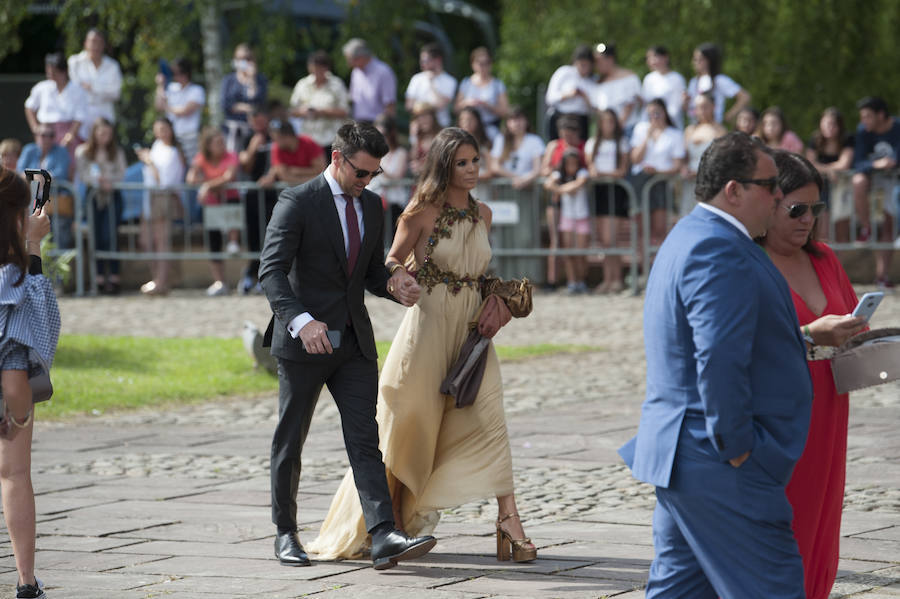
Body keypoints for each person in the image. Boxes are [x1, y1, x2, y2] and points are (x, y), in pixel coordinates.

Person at [306, 126, 537, 564]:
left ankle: (509, 521)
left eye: (475, 161)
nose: (471, 170)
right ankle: (386, 521)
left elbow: (480, 272)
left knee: (490, 419)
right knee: (407, 423)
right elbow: (391, 259)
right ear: (445, 165)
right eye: (462, 162)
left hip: (471, 334)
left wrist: (501, 299)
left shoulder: (483, 214)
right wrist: (399, 278)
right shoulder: (422, 212)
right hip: (427, 329)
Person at [619, 132, 813, 598]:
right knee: (774, 588)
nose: (780, 196)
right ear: (734, 190)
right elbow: (718, 357)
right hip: (718, 459)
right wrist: (739, 447)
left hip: (687, 456)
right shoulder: (718, 246)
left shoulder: (691, 234)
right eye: (770, 185)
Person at [258, 121, 436, 570]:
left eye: (374, 174)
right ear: (337, 159)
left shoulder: (373, 206)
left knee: (364, 439)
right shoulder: (297, 202)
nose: (367, 182)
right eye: (361, 173)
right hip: (303, 344)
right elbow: (271, 272)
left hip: (353, 343)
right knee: (290, 439)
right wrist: (301, 321)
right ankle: (285, 533)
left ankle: (383, 535)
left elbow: (371, 274)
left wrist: (397, 286)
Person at [759, 150, 867, 599]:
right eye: (796, 209)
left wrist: (865, 338)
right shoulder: (749, 262)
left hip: (829, 405)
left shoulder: (824, 258)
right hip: (776, 411)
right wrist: (807, 335)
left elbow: (850, 318)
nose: (807, 219)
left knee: (823, 514)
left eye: (815, 209)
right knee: (786, 517)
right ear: (769, 205)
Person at [0, 167, 60, 599]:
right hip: (11, 376)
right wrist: (34, 243)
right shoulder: (13, 271)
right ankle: (25, 581)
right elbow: (41, 320)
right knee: (15, 475)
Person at [851, 96, 899, 287]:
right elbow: (858, 163)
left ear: (880, 115)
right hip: (876, 185)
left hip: (894, 185)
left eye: (868, 116)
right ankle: (866, 228)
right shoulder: (863, 131)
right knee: (858, 181)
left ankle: (882, 276)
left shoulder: (897, 128)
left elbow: (896, 159)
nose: (863, 121)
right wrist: (877, 164)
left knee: (888, 225)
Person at [75, 117, 126, 294]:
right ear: (94, 133)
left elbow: (121, 173)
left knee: (110, 235)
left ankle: (113, 277)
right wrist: (98, 182)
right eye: (102, 133)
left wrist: (109, 183)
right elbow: (83, 174)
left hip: (113, 196)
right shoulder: (83, 152)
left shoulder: (116, 152)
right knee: (96, 236)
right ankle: (97, 278)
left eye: (109, 134)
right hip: (93, 197)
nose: (105, 137)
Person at [186, 127, 240, 296]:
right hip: (212, 205)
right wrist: (209, 183)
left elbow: (229, 177)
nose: (221, 145)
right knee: (213, 243)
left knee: (232, 237)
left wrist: (207, 185)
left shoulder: (231, 156)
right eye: (217, 143)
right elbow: (191, 179)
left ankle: (234, 241)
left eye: (222, 142)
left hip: (230, 201)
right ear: (208, 146)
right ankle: (219, 282)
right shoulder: (201, 158)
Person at [135, 117, 185, 296]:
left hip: (162, 197)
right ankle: (159, 278)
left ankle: (161, 281)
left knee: (162, 241)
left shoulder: (172, 152)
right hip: (149, 197)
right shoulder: (157, 146)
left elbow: (162, 181)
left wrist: (149, 162)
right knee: (146, 240)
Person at [585, 108, 630, 293]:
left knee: (612, 238)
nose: (607, 125)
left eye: (611, 121)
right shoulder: (592, 143)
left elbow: (622, 170)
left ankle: (616, 277)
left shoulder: (622, 143)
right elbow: (590, 166)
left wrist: (602, 173)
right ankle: (607, 278)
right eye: (604, 121)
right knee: (603, 240)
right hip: (599, 191)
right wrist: (599, 173)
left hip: (616, 190)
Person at [630, 98, 685, 246]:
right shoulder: (641, 129)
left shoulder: (675, 134)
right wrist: (647, 136)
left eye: (657, 113)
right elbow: (635, 158)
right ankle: (643, 266)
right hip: (641, 181)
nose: (653, 117)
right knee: (641, 227)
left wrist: (658, 171)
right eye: (650, 114)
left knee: (660, 227)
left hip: (661, 181)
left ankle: (658, 264)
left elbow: (677, 165)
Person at [540, 115, 586, 289]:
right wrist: (557, 174)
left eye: (570, 134)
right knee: (556, 240)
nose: (567, 138)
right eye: (564, 134)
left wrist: (560, 188)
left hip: (574, 201)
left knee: (575, 244)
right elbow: (545, 170)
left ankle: (576, 279)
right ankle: (553, 279)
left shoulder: (581, 147)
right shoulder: (554, 146)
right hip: (557, 200)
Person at [23, 52, 87, 173]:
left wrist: (69, 138)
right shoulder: (41, 87)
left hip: (67, 134)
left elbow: (79, 117)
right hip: (44, 133)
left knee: (67, 168)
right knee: (40, 165)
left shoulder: (77, 90)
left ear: (63, 71)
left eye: (54, 71)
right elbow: (29, 107)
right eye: (49, 71)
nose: (51, 74)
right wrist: (36, 128)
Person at [237, 106, 276, 294]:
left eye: (260, 118)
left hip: (273, 193)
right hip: (253, 192)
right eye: (254, 119)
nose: (257, 123)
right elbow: (243, 164)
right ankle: (251, 273)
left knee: (271, 236)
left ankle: (267, 275)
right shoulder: (247, 137)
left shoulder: (275, 134)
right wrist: (253, 148)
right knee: (253, 236)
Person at [16, 125, 73, 250]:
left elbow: (61, 173)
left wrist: (43, 176)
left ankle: (56, 269)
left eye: (51, 135)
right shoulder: (29, 150)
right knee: (29, 239)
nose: (47, 138)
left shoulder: (61, 151)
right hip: (30, 204)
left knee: (58, 239)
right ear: (36, 136)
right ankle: (31, 268)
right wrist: (35, 176)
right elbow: (20, 171)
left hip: (54, 203)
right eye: (43, 135)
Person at [544, 148, 590, 294]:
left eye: (574, 163)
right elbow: (548, 184)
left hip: (582, 215)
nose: (571, 166)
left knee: (581, 253)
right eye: (569, 163)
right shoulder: (559, 174)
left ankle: (581, 280)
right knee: (569, 252)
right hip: (567, 216)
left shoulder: (582, 172)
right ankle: (572, 281)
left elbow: (579, 183)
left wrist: (559, 189)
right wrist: (564, 189)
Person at [289, 50, 350, 159]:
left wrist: (322, 112)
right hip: (308, 139)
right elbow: (292, 111)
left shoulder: (336, 84)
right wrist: (303, 112)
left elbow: (344, 111)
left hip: (331, 139)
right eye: (313, 69)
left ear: (326, 68)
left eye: (319, 69)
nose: (316, 73)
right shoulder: (302, 84)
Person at [807, 107, 855, 241]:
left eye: (833, 124)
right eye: (827, 123)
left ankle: (838, 261)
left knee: (841, 232)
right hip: (822, 189)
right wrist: (830, 170)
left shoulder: (847, 139)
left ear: (840, 126)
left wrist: (824, 169)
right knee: (822, 231)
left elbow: (844, 163)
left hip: (842, 187)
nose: (830, 127)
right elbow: (810, 163)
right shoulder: (815, 139)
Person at [67, 28, 123, 141]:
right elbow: (75, 89)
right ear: (85, 43)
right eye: (92, 41)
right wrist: (103, 91)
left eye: (99, 42)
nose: (95, 45)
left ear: (103, 45)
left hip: (105, 117)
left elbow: (116, 93)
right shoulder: (74, 62)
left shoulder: (113, 66)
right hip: (80, 118)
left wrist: (92, 88)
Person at [681, 93, 726, 216]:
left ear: (713, 107)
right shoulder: (690, 130)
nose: (701, 111)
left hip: (710, 182)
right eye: (698, 107)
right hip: (690, 182)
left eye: (705, 106)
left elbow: (721, 161)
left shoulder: (720, 131)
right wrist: (684, 168)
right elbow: (684, 157)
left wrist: (699, 172)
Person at [154, 57, 206, 165]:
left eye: (178, 72)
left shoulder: (196, 90)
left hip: (189, 137)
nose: (175, 76)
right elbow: (158, 106)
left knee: (190, 166)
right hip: (171, 137)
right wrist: (160, 85)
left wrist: (167, 107)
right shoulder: (171, 88)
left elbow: (184, 111)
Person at [684, 43, 750, 125]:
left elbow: (744, 97)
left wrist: (729, 116)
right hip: (696, 127)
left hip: (714, 126)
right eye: (694, 59)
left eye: (699, 59)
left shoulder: (719, 80)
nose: (695, 63)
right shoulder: (693, 82)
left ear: (709, 60)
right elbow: (690, 109)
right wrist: (685, 102)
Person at [366, 114, 409, 236]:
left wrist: (376, 167)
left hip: (394, 203)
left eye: (383, 134)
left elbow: (397, 177)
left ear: (391, 133)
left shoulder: (401, 152)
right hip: (373, 199)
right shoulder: (371, 152)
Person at [454, 47, 509, 141]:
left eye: (486, 63)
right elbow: (456, 109)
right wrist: (467, 103)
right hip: (468, 129)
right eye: (479, 63)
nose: (483, 66)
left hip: (490, 128)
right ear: (473, 64)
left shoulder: (497, 85)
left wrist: (487, 105)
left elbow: (505, 111)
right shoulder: (466, 83)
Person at [221, 44, 268, 153]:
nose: (244, 62)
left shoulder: (260, 80)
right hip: (232, 130)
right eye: (240, 59)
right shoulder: (228, 80)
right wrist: (248, 108)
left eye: (247, 58)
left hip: (254, 129)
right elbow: (225, 104)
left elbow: (259, 102)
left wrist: (252, 79)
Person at [544, 44, 595, 141]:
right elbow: (550, 98)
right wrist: (568, 95)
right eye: (581, 64)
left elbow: (594, 109)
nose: (583, 68)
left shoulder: (593, 81)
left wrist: (585, 97)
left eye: (586, 65)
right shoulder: (564, 72)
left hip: (581, 121)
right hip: (560, 118)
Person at [489, 106, 545, 190]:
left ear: (526, 121)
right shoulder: (501, 139)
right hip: (505, 189)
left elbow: (537, 168)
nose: (516, 123)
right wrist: (516, 178)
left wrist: (524, 180)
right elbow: (495, 166)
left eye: (520, 119)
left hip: (529, 189)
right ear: (507, 123)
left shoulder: (535, 140)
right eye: (512, 120)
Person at [342, 38, 397, 123]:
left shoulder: (384, 72)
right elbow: (353, 98)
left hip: (377, 124)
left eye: (350, 60)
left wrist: (384, 128)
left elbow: (389, 105)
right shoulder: (356, 72)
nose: (349, 64)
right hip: (358, 122)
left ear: (361, 58)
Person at [593, 42, 642, 135]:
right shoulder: (599, 82)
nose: (596, 65)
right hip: (606, 133)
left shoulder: (629, 77)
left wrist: (617, 127)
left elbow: (631, 104)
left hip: (628, 129)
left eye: (599, 61)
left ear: (610, 59)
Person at [257, 120, 325, 187]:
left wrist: (297, 171)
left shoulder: (309, 143)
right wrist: (312, 180)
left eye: (276, 139)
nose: (274, 142)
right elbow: (285, 176)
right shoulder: (276, 148)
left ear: (288, 137)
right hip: (306, 189)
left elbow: (321, 170)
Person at [405, 43, 457, 128]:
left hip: (440, 127)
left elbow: (441, 104)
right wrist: (425, 110)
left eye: (426, 60)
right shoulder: (416, 78)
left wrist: (431, 83)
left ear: (438, 60)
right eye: (421, 61)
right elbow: (409, 105)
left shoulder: (450, 81)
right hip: (419, 128)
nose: (422, 64)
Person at [641, 45, 686, 129]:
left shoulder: (677, 79)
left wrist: (663, 121)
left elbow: (676, 106)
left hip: (672, 124)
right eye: (648, 58)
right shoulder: (648, 79)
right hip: (651, 124)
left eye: (654, 57)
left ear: (665, 57)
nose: (651, 61)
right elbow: (646, 104)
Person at [408, 105, 441, 177]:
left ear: (433, 117)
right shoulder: (418, 138)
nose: (423, 120)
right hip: (420, 181)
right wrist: (413, 136)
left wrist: (423, 168)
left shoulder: (441, 136)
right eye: (420, 117)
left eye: (426, 116)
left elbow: (441, 163)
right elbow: (413, 159)